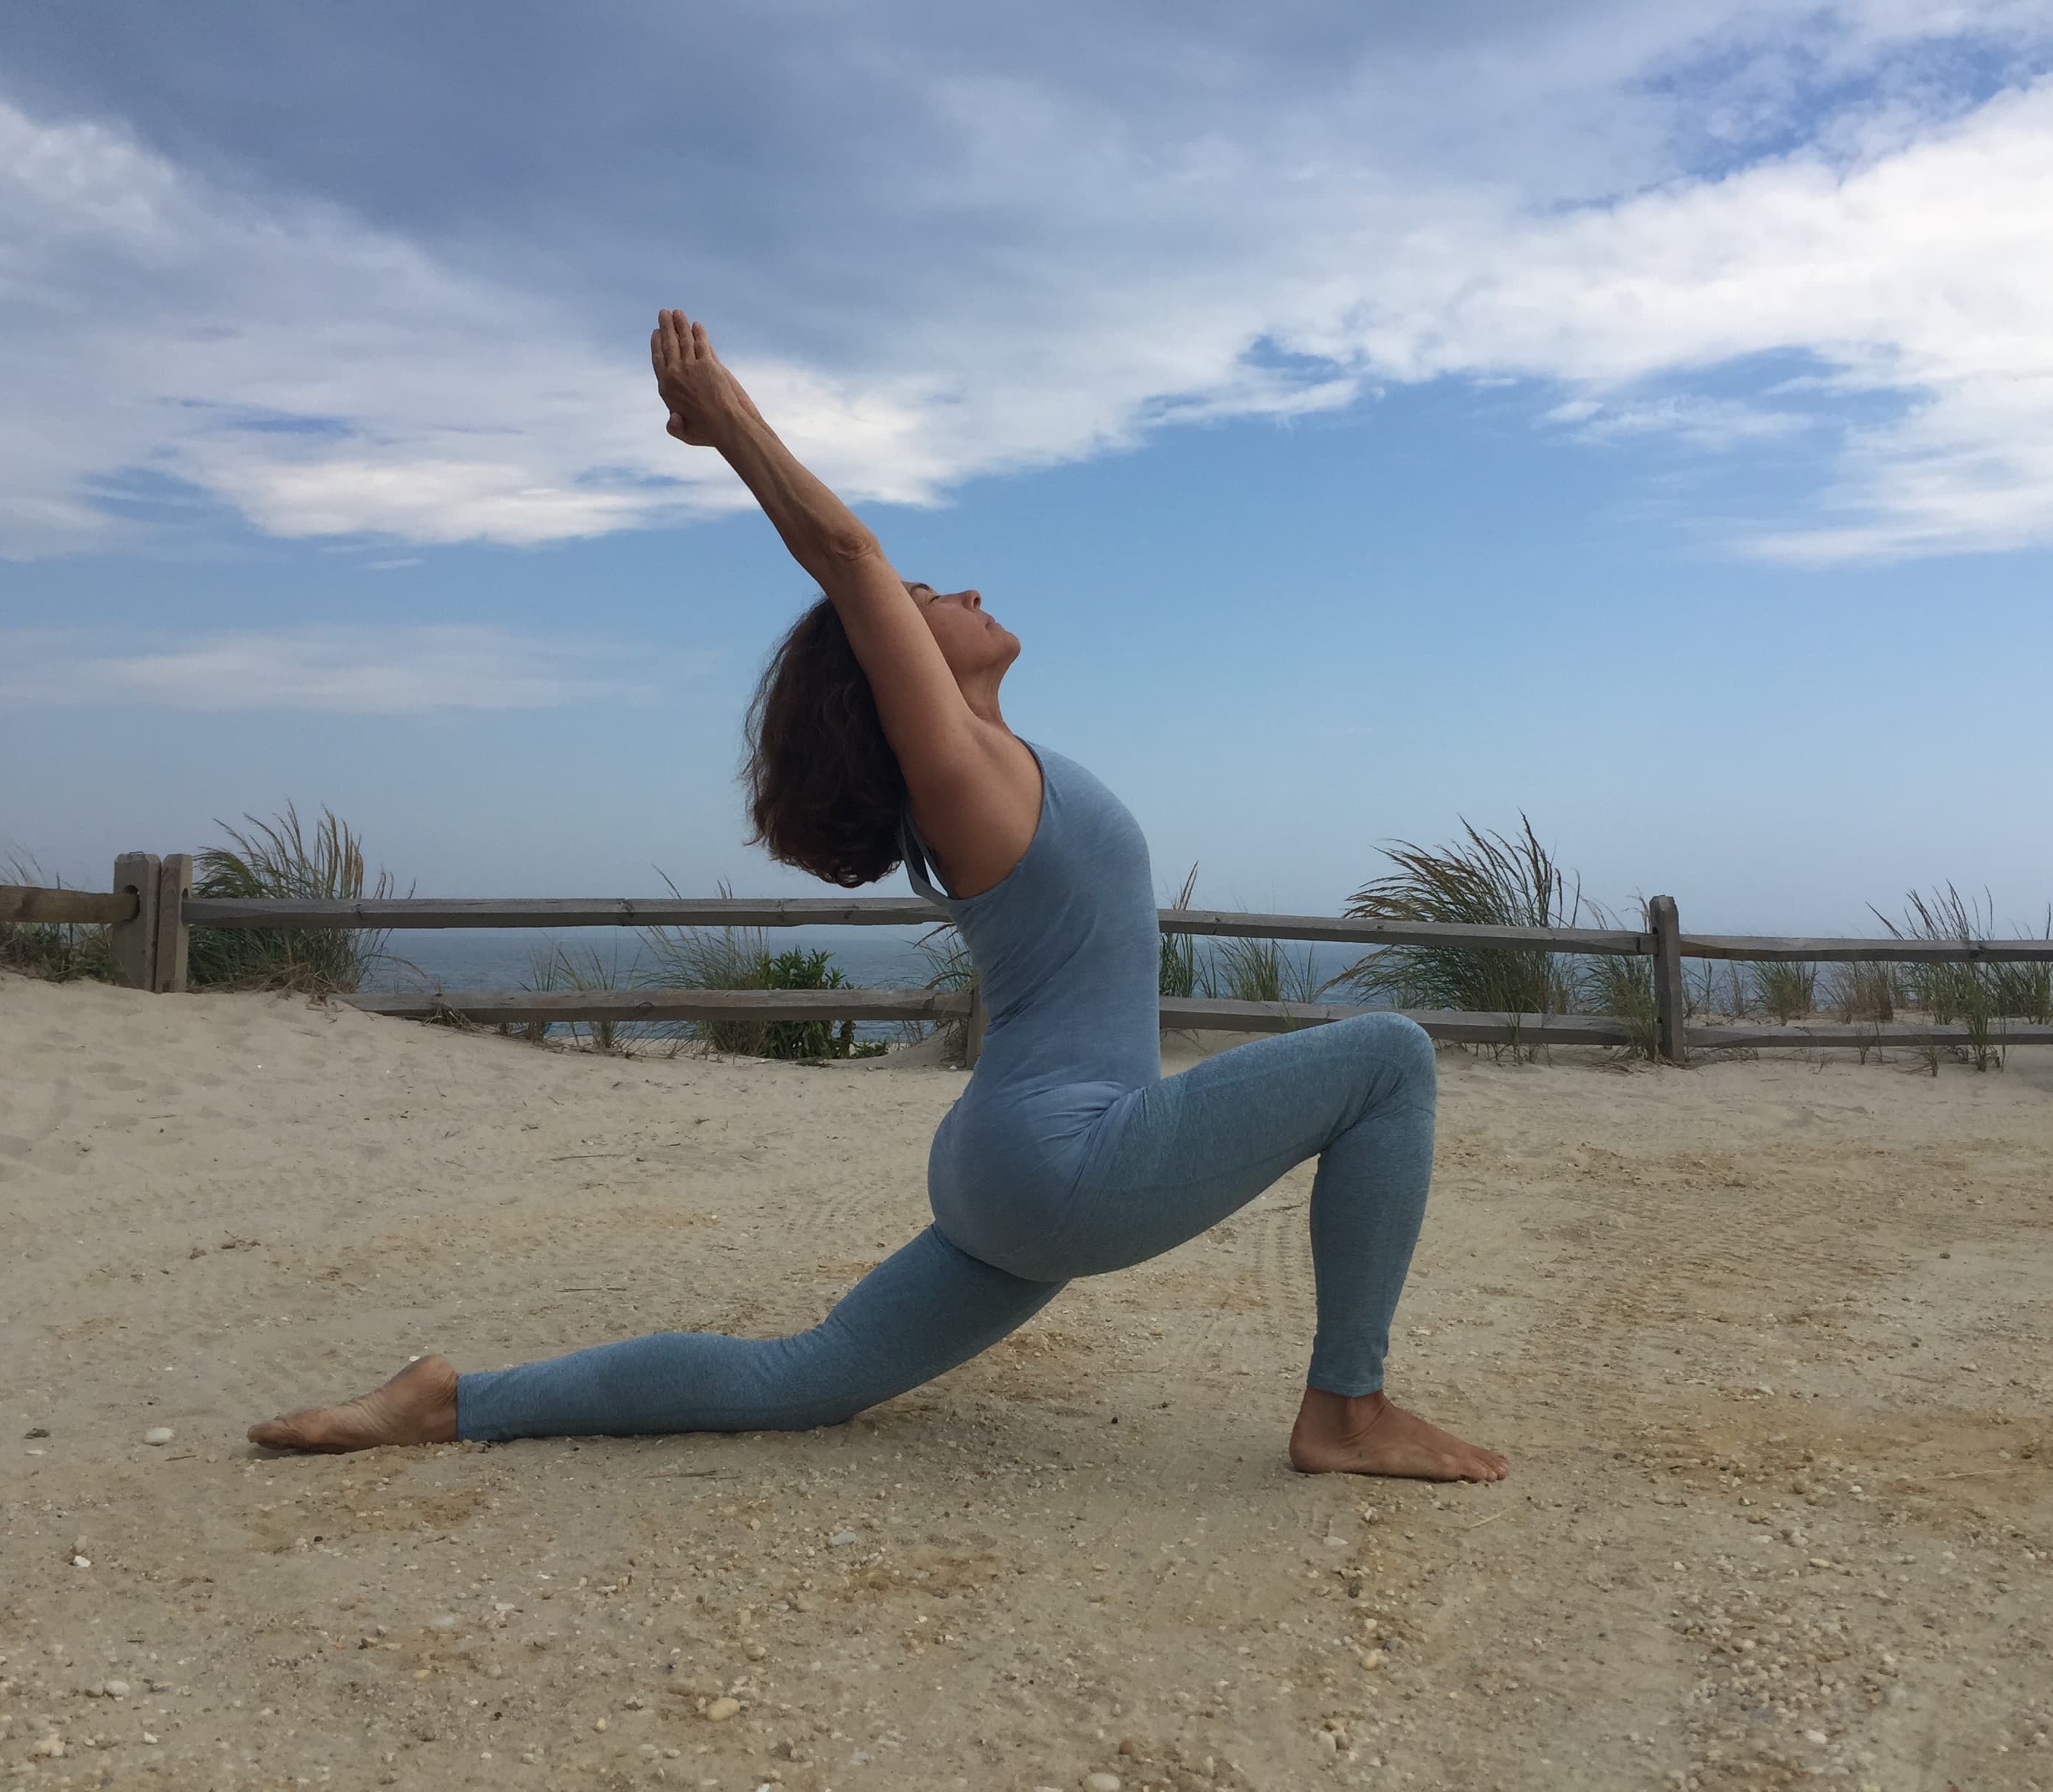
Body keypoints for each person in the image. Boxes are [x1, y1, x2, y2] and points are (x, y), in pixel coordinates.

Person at [247, 311, 1506, 1482]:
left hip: (1003, 1167)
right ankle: (1346, 1408)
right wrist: (727, 418)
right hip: (1067, 1159)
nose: (954, 592)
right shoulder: (956, 780)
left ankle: (452, 1400)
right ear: (888, 669)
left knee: (809, 1379)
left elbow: (870, 578)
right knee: (1389, 1053)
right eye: (921, 607)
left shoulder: (987, 782)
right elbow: (848, 555)